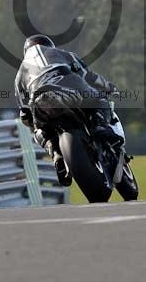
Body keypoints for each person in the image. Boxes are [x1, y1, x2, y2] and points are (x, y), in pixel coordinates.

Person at [15, 34, 118, 186]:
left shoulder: (19, 76)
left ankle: (56, 155)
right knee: (99, 99)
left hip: (39, 101)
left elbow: (24, 113)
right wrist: (109, 87)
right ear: (50, 46)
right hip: (68, 86)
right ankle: (100, 127)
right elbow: (89, 77)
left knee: (39, 130)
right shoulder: (62, 54)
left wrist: (36, 124)